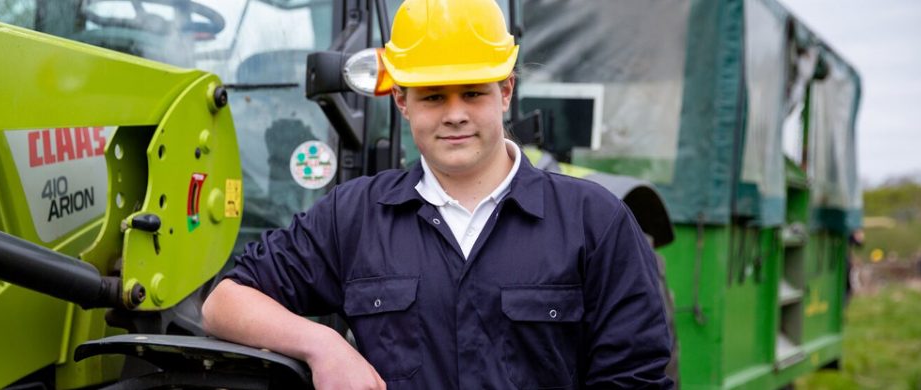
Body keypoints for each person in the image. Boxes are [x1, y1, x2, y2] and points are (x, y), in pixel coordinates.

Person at [202, 0, 674, 388]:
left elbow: (634, 377)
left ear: (505, 92)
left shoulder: (595, 221)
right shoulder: (355, 215)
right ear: (402, 101)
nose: (454, 115)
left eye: (472, 93)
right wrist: (324, 344)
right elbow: (225, 302)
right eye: (433, 96)